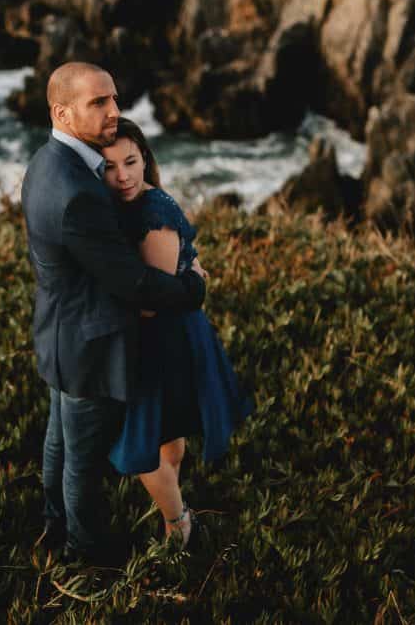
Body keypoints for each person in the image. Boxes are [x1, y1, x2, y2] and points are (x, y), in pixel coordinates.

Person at [21, 62, 209, 564]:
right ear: (63, 112)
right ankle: (84, 555)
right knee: (80, 463)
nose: (114, 112)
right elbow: (134, 282)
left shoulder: (44, 162)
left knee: (59, 445)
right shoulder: (78, 192)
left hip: (60, 332)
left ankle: (53, 524)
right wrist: (192, 287)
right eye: (98, 103)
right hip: (91, 346)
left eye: (114, 99)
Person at [102, 118, 253, 548]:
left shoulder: (154, 213)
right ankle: (175, 499)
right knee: (167, 431)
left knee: (142, 444)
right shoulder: (120, 207)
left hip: (163, 340)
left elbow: (154, 301)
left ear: (145, 159)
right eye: (110, 167)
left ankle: (177, 523)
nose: (123, 175)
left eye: (131, 162)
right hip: (167, 334)